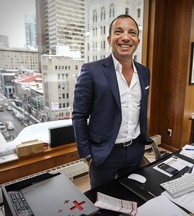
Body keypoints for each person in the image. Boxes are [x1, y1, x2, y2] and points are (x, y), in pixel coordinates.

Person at [72, 14, 153, 189]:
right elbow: (79, 116)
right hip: (104, 154)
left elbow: (140, 108)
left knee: (133, 197)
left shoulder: (145, 72)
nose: (125, 37)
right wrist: (87, 155)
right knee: (103, 203)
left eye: (132, 33)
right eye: (119, 32)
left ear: (137, 41)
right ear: (109, 39)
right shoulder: (91, 71)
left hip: (135, 150)